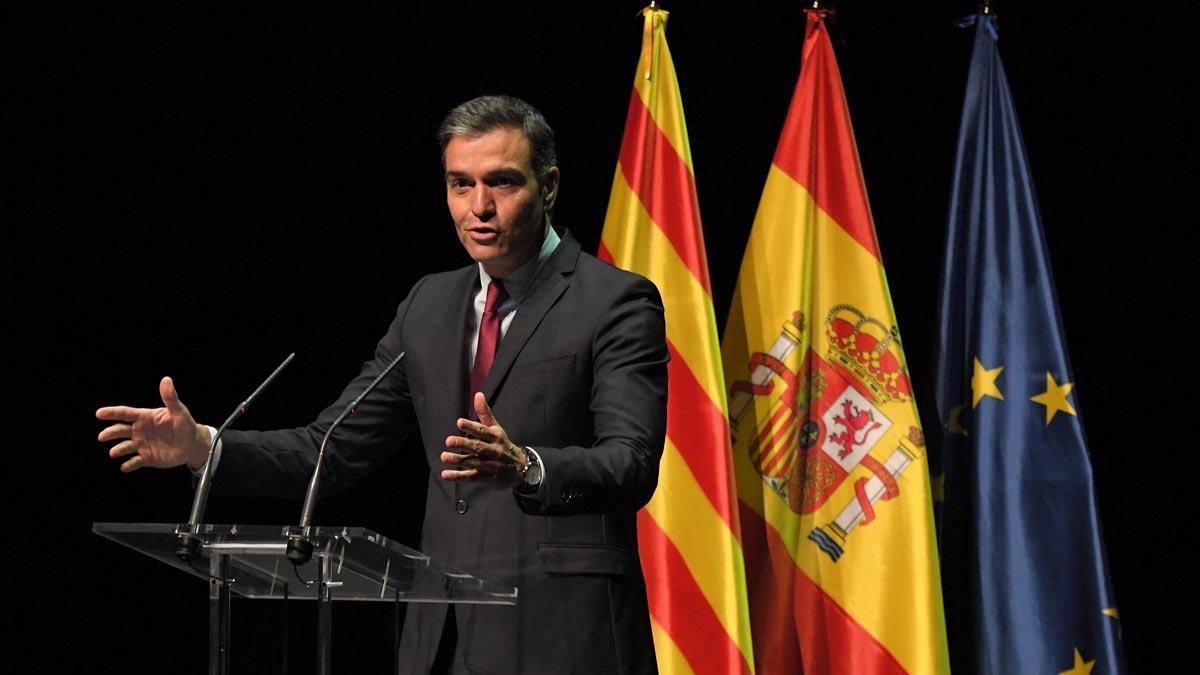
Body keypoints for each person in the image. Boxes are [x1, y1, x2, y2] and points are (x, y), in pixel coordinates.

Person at [97, 95, 667, 674]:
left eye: (502, 183)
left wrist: (526, 466)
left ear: (548, 187)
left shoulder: (615, 301)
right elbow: (332, 448)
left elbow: (632, 463)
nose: (480, 207)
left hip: (567, 635)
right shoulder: (429, 304)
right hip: (440, 638)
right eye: (460, 185)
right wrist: (206, 448)